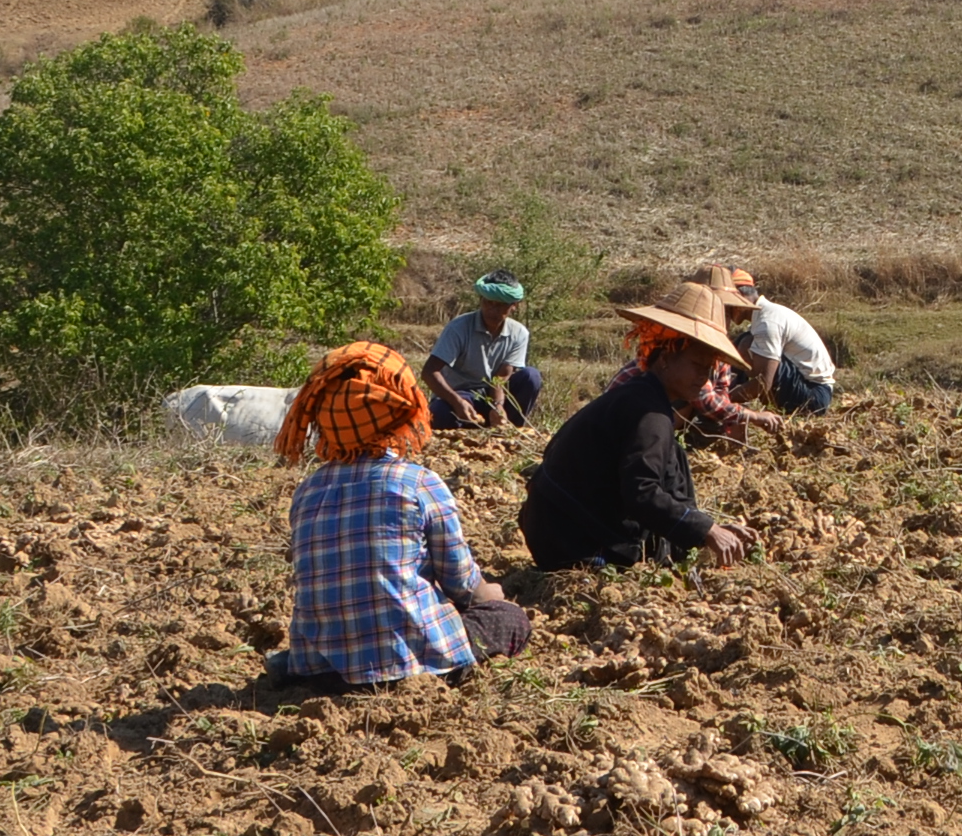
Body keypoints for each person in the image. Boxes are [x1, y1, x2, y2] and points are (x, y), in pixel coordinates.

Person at [273, 341, 530, 688]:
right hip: (411, 666)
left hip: (321, 673)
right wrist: (491, 594)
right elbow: (462, 584)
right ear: (402, 410)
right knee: (509, 617)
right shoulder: (418, 483)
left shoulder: (307, 492)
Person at [518, 285, 758, 570]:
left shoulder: (642, 397)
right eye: (697, 365)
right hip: (570, 540)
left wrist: (707, 527)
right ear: (665, 360)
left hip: (552, 525)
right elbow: (642, 493)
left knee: (675, 457)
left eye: (708, 370)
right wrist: (706, 530)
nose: (703, 378)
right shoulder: (648, 414)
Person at [702, 261, 839, 415]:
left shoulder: (768, 323)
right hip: (808, 386)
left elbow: (763, 383)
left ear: (739, 297)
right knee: (743, 343)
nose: (724, 310)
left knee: (747, 344)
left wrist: (720, 402)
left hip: (814, 396)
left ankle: (721, 401)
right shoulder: (763, 317)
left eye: (726, 304)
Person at [422, 273, 541, 429]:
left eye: (500, 305)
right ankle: (467, 423)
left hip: (492, 395)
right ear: (481, 300)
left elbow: (501, 378)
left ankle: (506, 428)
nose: (492, 310)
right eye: (488, 303)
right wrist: (457, 402)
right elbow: (429, 371)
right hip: (460, 394)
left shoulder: (519, 333)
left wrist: (497, 406)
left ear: (514, 306)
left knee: (531, 376)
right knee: (439, 412)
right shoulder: (459, 328)